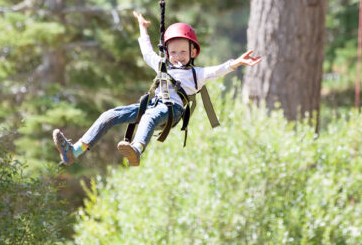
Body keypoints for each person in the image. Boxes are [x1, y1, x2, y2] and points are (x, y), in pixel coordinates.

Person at [53, 11, 261, 167]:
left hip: (171, 110)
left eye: (182, 51)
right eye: (173, 52)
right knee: (110, 115)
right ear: (167, 53)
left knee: (149, 117)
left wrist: (237, 63)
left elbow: (219, 70)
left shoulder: (197, 74)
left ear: (193, 52)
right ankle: (75, 151)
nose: (178, 56)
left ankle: (136, 148)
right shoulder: (162, 64)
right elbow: (146, 52)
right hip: (153, 105)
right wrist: (143, 28)